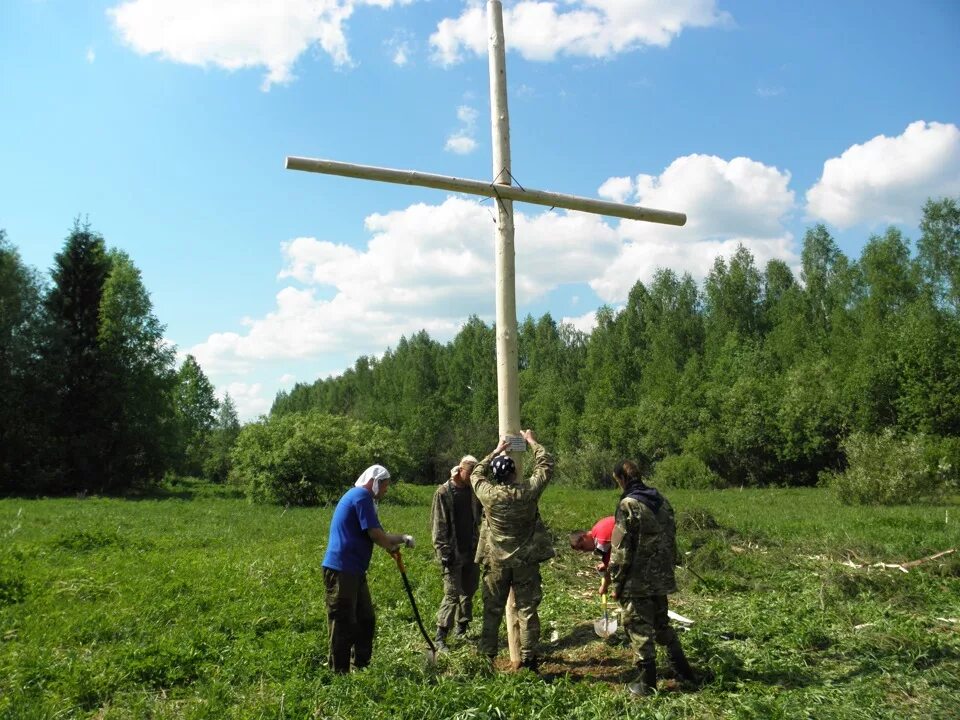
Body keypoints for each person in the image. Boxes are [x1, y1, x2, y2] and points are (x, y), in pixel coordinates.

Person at [607, 459, 696, 695]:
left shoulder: (628, 504)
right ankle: (683, 670)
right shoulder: (662, 501)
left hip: (638, 579)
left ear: (621, 479)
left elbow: (622, 549)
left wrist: (616, 581)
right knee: (660, 623)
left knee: (638, 627)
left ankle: (646, 681)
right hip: (661, 575)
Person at [470, 429, 554, 671]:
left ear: (495, 477)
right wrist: (531, 441)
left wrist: (495, 451)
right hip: (525, 562)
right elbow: (546, 465)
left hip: (496, 562)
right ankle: (529, 661)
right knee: (527, 610)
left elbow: (476, 473)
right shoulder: (527, 492)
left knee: (492, 611)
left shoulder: (489, 494)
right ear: (515, 472)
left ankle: (486, 659)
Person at [321, 464, 414, 673]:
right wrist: (390, 547)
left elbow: (379, 533)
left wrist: (402, 539)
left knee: (365, 619)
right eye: (385, 486)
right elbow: (374, 534)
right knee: (343, 621)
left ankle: (360, 666)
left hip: (355, 570)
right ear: (374, 482)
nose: (386, 491)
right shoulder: (361, 496)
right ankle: (339, 674)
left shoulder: (364, 499)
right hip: (341, 569)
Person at [431, 455, 482, 649]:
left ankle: (462, 627)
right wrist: (443, 550)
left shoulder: (473, 491)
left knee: (468, 591)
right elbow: (438, 524)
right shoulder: (444, 492)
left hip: (471, 549)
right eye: (469, 473)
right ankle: (441, 635)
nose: (471, 477)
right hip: (452, 551)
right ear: (461, 470)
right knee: (452, 594)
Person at [569, 515, 615, 594]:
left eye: (582, 546)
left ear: (584, 537)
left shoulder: (601, 541)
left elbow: (613, 567)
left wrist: (604, 586)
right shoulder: (596, 528)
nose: (584, 550)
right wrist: (605, 563)